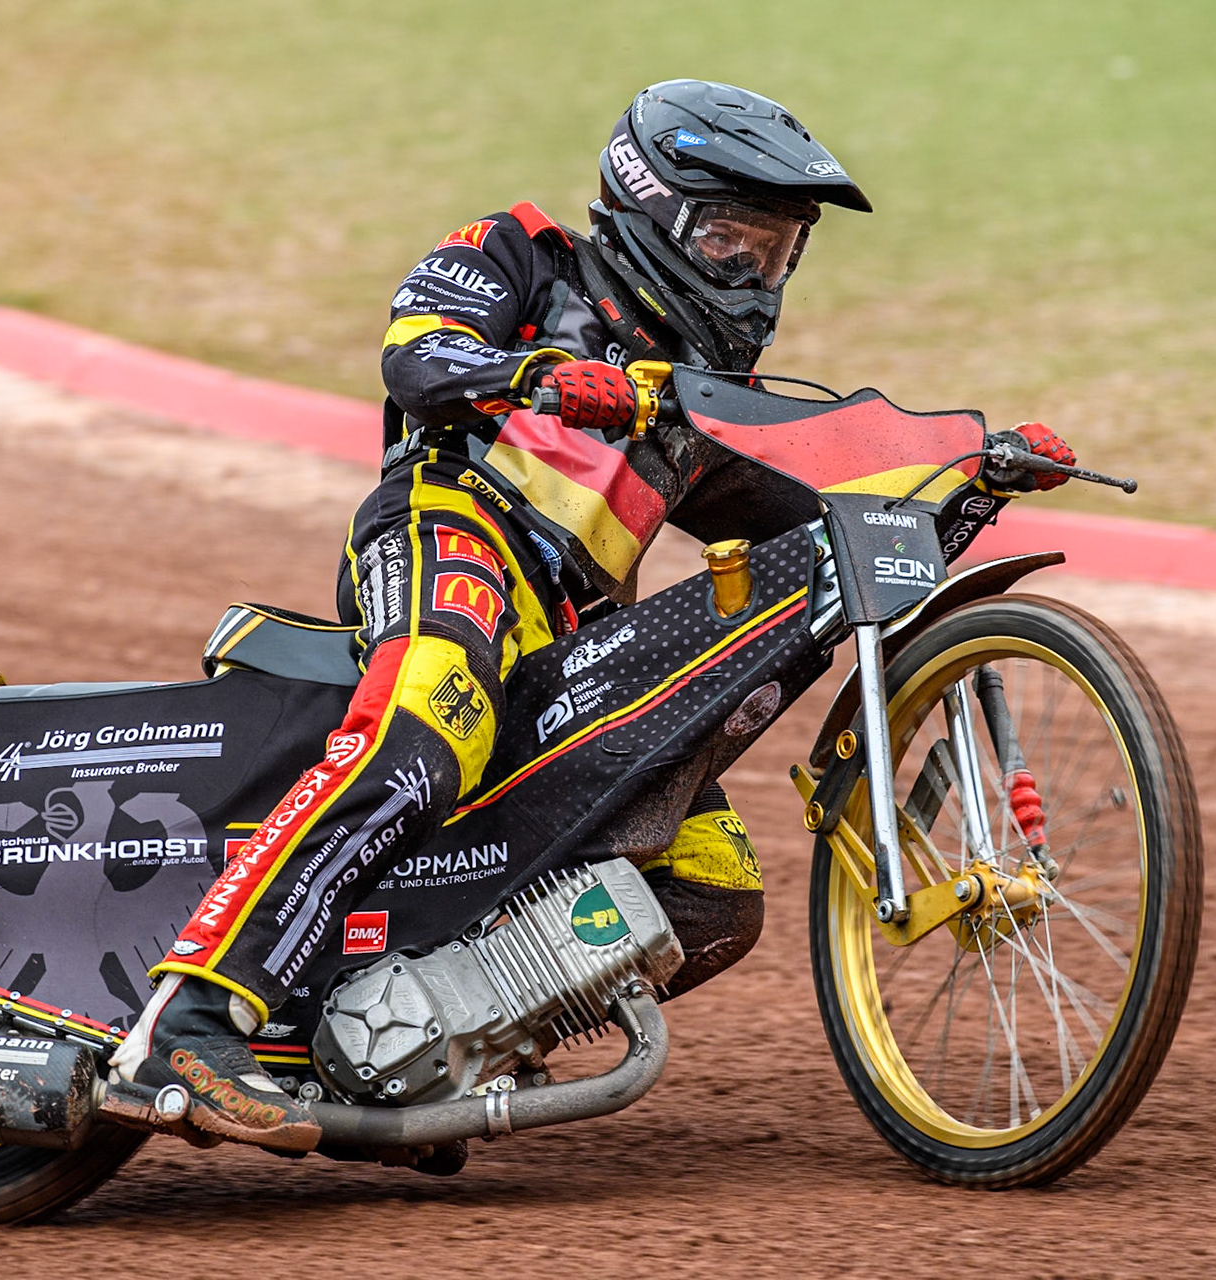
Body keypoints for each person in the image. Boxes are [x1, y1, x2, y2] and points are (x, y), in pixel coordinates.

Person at [112, 79, 1075, 1149]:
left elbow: (812, 518)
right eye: (729, 243)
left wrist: (965, 485)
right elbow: (417, 357)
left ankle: (437, 1041)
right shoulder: (519, 248)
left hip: (569, 636)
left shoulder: (697, 396)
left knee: (714, 890)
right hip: (448, 532)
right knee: (424, 731)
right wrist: (546, 375)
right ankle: (188, 1019)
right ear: (647, 204)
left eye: (778, 254)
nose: (754, 280)